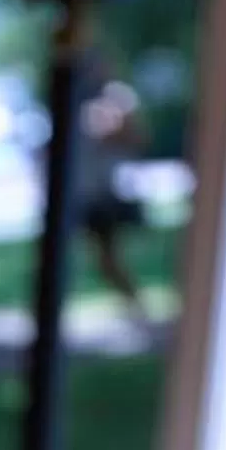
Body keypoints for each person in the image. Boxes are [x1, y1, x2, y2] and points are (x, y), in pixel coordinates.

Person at [79, 78, 152, 326]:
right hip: (95, 196)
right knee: (104, 260)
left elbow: (135, 136)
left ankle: (136, 304)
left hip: (111, 196)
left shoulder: (116, 95)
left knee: (109, 257)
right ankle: (134, 303)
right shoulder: (88, 101)